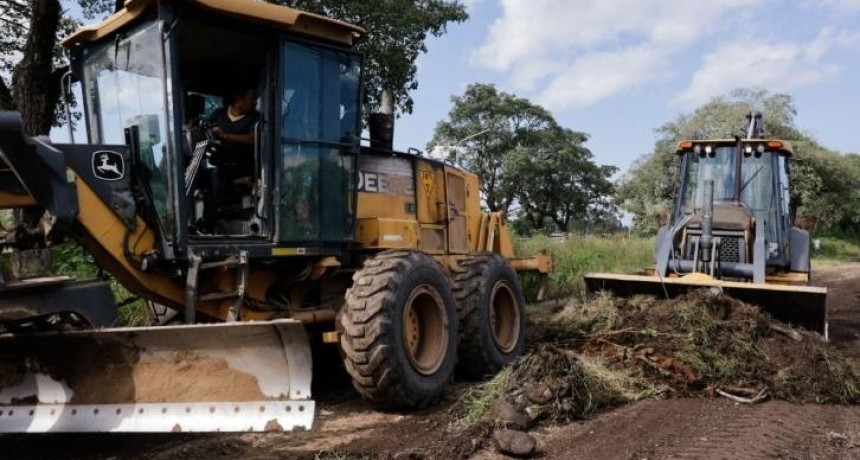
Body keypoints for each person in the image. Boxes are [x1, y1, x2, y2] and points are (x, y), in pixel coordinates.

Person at [208, 85, 260, 176]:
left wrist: (224, 136)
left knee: (219, 174)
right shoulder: (218, 114)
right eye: (252, 99)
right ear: (239, 99)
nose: (255, 102)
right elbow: (207, 128)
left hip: (243, 167)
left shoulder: (256, 118)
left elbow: (253, 138)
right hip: (218, 163)